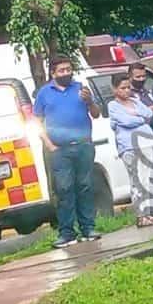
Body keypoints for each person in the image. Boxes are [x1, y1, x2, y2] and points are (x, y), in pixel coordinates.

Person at [34, 57, 102, 248]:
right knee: (64, 190)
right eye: (61, 70)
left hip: (83, 146)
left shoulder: (81, 88)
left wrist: (89, 102)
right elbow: (36, 121)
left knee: (85, 186)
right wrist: (49, 144)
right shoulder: (44, 93)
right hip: (59, 150)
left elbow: (96, 114)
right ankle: (66, 233)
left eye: (68, 69)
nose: (66, 73)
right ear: (53, 74)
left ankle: (88, 228)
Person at [108, 73, 153, 228]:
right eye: (122, 88)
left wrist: (137, 115)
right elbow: (126, 121)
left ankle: (149, 213)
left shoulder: (135, 101)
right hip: (129, 146)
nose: (126, 91)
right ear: (115, 89)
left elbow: (149, 113)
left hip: (146, 143)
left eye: (128, 87)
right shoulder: (113, 105)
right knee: (136, 182)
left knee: (147, 180)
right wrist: (140, 119)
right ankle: (141, 215)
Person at [128, 62, 153, 133]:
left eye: (143, 76)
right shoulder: (127, 95)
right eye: (138, 77)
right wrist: (148, 110)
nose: (141, 79)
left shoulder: (147, 92)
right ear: (130, 77)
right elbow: (128, 116)